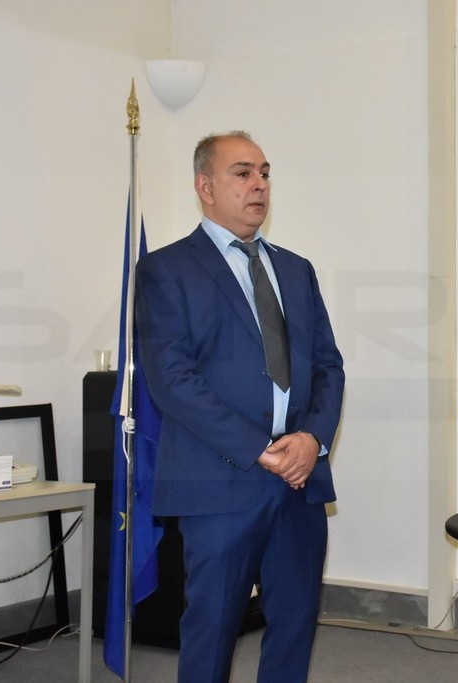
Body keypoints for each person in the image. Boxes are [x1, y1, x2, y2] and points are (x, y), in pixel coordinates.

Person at [135, 130, 345, 683]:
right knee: (212, 631)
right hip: (219, 482)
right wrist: (260, 449)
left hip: (299, 479)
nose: (259, 184)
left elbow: (328, 366)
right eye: (243, 173)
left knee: (294, 625)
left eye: (265, 173)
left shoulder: (295, 269)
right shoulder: (166, 270)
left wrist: (311, 439)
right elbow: (172, 381)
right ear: (205, 186)